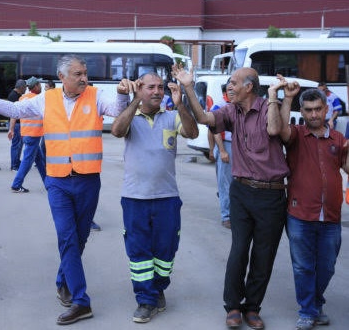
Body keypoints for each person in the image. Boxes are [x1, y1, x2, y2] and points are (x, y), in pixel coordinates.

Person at [0, 54, 131, 325]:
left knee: (80, 237)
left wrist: (122, 94)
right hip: (58, 180)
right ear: (62, 77)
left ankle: (63, 280)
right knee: (67, 237)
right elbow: (14, 110)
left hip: (88, 180)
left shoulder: (95, 96)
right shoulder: (46, 99)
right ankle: (81, 300)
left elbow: (116, 110)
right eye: (78, 73)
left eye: (85, 72)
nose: (84, 78)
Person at [177, 65, 289, 330]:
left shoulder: (267, 107)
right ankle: (233, 306)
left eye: (234, 82)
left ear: (249, 86)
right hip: (241, 191)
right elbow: (204, 119)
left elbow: (274, 130)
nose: (229, 86)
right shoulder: (231, 111)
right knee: (239, 251)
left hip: (272, 194)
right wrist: (189, 87)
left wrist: (274, 96)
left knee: (264, 255)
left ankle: (253, 308)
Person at [110, 72, 198, 323]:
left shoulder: (171, 116)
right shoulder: (130, 116)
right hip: (134, 198)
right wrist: (134, 101)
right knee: (139, 251)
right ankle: (146, 300)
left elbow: (191, 133)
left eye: (160, 87)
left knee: (165, 250)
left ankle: (158, 289)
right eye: (151, 87)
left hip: (167, 198)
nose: (157, 91)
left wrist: (180, 104)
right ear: (139, 89)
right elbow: (117, 130)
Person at [277, 82, 349, 330]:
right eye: (308, 110)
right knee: (303, 266)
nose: (314, 114)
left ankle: (316, 302)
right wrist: (287, 99)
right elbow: (281, 131)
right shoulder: (296, 134)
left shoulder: (338, 139)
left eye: (318, 109)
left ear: (326, 108)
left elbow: (347, 168)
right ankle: (308, 311)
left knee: (327, 266)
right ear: (303, 112)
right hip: (299, 214)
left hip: (330, 216)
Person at [10, 76, 46, 193]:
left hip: (26, 133)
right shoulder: (38, 99)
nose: (41, 86)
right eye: (39, 85)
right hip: (34, 134)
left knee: (39, 160)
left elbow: (15, 114)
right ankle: (16, 184)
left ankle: (48, 183)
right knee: (27, 161)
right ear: (35, 86)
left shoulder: (22, 98)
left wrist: (11, 129)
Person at [210, 80, 233, 229]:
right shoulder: (219, 105)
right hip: (226, 146)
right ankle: (226, 216)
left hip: (239, 147)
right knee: (225, 183)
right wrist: (221, 150)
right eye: (230, 88)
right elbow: (214, 130)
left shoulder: (241, 104)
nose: (233, 91)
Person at [7, 79, 26, 171]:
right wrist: (12, 128)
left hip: (17, 124)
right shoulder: (14, 96)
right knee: (16, 145)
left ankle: (16, 162)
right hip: (16, 124)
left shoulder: (17, 95)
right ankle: (14, 165)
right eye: (25, 87)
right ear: (21, 87)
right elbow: (13, 114)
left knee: (18, 145)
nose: (26, 89)